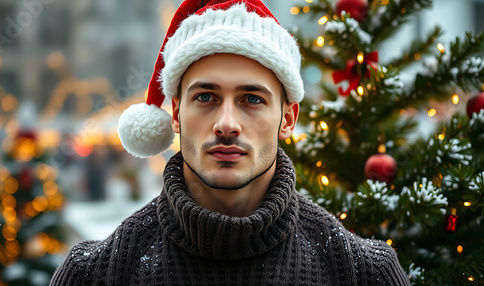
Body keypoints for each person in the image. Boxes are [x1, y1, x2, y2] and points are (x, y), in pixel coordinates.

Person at [50, 0, 410, 285]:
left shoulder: (364, 273)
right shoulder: (94, 274)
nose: (226, 124)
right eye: (205, 97)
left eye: (252, 99)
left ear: (287, 118)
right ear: (175, 114)